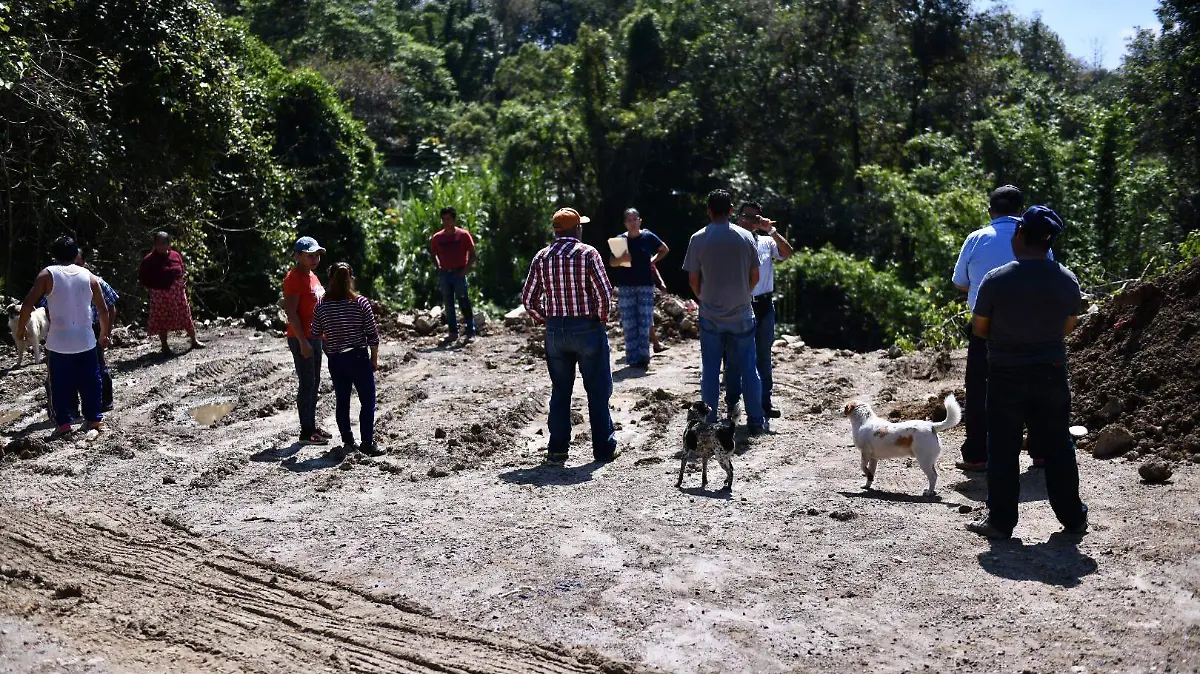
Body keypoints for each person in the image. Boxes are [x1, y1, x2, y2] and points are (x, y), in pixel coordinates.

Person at [966, 205, 1088, 540]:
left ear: (1020, 235)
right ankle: (1073, 518)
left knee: (1003, 448)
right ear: (1049, 242)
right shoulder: (1066, 280)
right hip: (1051, 370)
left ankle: (1001, 522)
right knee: (1058, 445)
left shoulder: (997, 280)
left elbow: (979, 329)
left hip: (1006, 373)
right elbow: (1069, 326)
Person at [952, 185, 1046, 472]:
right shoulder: (1036, 237)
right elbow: (1049, 277)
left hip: (986, 326)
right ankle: (1041, 452)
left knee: (980, 388)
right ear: (1020, 210)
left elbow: (960, 282)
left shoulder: (976, 239)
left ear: (990, 210)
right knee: (1035, 386)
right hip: (1031, 327)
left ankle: (978, 455)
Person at [520, 207, 618, 466]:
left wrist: (546, 319)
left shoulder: (542, 257)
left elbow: (528, 299)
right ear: (577, 229)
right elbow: (604, 295)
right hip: (586, 328)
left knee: (561, 391)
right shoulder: (588, 254)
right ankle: (603, 448)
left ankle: (557, 450)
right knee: (597, 390)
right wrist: (601, 319)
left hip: (555, 332)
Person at [681, 189, 766, 434]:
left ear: (708, 210)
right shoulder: (746, 237)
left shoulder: (697, 239)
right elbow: (755, 276)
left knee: (710, 370)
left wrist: (705, 299)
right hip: (741, 313)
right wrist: (742, 295)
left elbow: (693, 280)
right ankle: (756, 421)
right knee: (749, 368)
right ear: (731, 210)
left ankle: (708, 421)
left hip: (710, 315)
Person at [16, 236, 110, 438]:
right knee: (91, 381)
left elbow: (27, 305)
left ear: (54, 255)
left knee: (58, 384)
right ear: (77, 253)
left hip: (58, 343)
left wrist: (20, 329)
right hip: (86, 340)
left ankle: (64, 424)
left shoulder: (47, 275)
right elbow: (103, 310)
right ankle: (94, 419)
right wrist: (104, 334)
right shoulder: (90, 277)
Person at [726, 201, 793, 423]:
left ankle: (765, 403)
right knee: (735, 358)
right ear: (738, 217)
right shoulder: (731, 240)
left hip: (764, 304)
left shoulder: (766, 241)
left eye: (756, 218)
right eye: (747, 217)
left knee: (763, 356)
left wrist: (771, 230)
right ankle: (733, 405)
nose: (751, 221)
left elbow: (787, 252)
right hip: (741, 304)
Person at [310, 263, 384, 458]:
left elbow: (315, 333)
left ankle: (348, 441)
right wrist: (373, 359)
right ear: (351, 279)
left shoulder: (322, 305)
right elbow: (373, 336)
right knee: (367, 401)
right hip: (358, 357)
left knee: (342, 401)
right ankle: (367, 442)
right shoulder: (360, 303)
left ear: (330, 278)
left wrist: (332, 346)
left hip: (336, 360)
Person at [42, 249, 119, 419]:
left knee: (97, 367)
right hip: (65, 330)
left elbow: (109, 306)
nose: (73, 267)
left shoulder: (94, 280)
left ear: (83, 264)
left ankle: (103, 403)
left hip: (91, 328)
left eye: (77, 263)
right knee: (68, 370)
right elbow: (46, 307)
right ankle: (72, 409)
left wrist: (106, 331)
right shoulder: (55, 282)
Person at [284, 236, 331, 447]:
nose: (315, 259)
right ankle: (306, 431)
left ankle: (311, 425)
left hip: (315, 336)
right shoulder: (293, 279)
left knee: (314, 383)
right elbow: (291, 314)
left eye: (317, 255)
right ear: (298, 256)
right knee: (307, 384)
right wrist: (303, 341)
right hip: (301, 338)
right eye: (310, 255)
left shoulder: (312, 277)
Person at [608, 208, 669, 369]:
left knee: (644, 321)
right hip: (626, 287)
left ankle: (644, 357)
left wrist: (653, 261)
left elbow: (664, 249)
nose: (633, 222)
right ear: (625, 223)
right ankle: (632, 358)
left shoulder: (648, 237)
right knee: (629, 322)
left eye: (635, 219)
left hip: (645, 286)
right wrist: (621, 258)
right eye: (629, 220)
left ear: (640, 221)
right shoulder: (620, 240)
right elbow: (612, 262)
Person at [138, 232, 205, 353]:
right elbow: (143, 278)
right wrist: (156, 287)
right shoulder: (148, 260)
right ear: (154, 244)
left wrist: (181, 284)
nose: (161, 246)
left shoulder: (175, 255)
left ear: (169, 244)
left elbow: (181, 270)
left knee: (185, 314)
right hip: (160, 294)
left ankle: (194, 340)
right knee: (161, 318)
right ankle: (164, 346)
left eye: (164, 243)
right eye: (158, 243)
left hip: (177, 293)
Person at [429, 206, 478, 344]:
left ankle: (470, 332)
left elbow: (473, 255)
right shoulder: (437, 238)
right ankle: (452, 333)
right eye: (444, 219)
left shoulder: (463, 235)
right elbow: (433, 254)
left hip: (459, 272)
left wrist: (465, 270)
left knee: (464, 302)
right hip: (445, 273)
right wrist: (438, 267)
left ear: (454, 219)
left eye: (448, 219)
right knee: (448, 304)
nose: (446, 222)